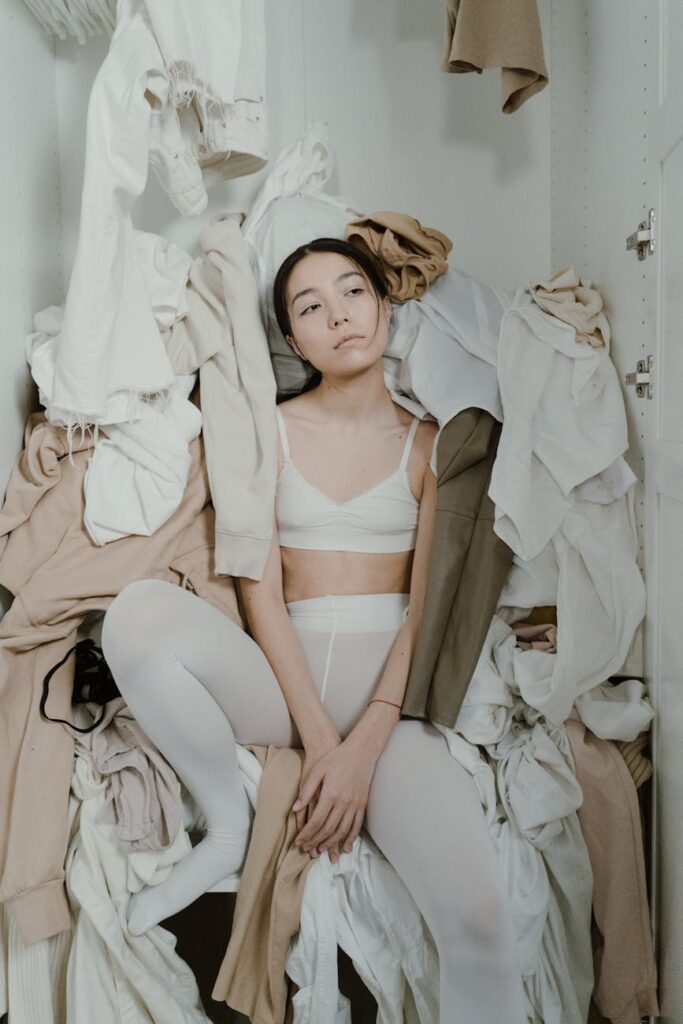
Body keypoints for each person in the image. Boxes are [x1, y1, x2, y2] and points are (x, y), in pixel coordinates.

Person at [102, 237, 526, 1023]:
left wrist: (363, 746)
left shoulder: (433, 445)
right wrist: (319, 746)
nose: (337, 316)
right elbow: (259, 595)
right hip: (281, 678)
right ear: (293, 341)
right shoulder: (266, 431)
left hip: (386, 705)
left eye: (351, 293)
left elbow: (429, 608)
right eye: (309, 307)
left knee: (477, 920)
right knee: (135, 615)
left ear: (384, 310)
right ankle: (226, 825)